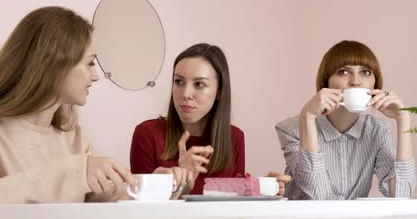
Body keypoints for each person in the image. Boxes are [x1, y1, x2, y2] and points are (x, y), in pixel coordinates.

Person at [0, 6, 136, 204]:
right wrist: (72, 172)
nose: (96, 76)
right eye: (90, 63)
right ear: (56, 63)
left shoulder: (74, 138)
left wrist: (150, 186)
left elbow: (100, 197)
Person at [130, 43, 290, 196]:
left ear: (219, 91)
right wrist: (179, 177)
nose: (185, 93)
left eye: (199, 84)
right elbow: (142, 209)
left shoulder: (234, 137)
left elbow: (230, 203)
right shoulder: (147, 134)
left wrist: (263, 187)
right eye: (179, 81)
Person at [276, 40, 414, 200]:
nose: (356, 81)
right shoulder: (292, 129)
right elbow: (319, 198)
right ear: (326, 82)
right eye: (343, 72)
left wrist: (403, 118)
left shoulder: (378, 130)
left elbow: (402, 195)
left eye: (366, 72)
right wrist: (307, 117)